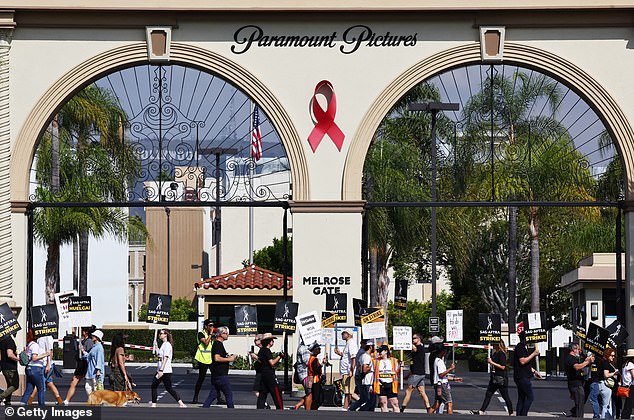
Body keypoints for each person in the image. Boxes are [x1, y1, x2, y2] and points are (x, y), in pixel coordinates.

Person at [472, 340, 514, 416]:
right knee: (488, 393)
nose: (492, 345)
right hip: (494, 377)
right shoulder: (495, 353)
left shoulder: (501, 354)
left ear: (498, 345)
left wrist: (491, 362)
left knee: (505, 396)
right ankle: (482, 410)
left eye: (494, 344)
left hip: (501, 378)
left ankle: (511, 412)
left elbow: (502, 366)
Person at [151, 329, 186, 408]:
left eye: (161, 333)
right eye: (159, 333)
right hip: (160, 369)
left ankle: (181, 403)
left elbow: (166, 358)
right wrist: (156, 347)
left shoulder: (167, 345)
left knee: (167, 388)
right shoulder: (164, 344)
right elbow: (160, 356)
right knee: (155, 386)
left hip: (164, 370)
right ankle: (154, 404)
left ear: (165, 335)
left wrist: (161, 370)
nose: (160, 335)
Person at [202, 326, 236, 408]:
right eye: (225, 333)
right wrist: (229, 359)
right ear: (220, 334)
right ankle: (232, 412)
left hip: (216, 374)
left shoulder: (218, 344)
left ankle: (204, 409)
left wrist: (228, 357)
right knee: (228, 394)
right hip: (221, 375)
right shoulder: (217, 344)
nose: (227, 335)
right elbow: (217, 358)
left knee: (213, 394)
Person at [28, 334, 63, 405]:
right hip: (43, 363)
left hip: (45, 364)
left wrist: (48, 365)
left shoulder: (47, 337)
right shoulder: (40, 337)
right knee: (49, 383)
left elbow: (50, 352)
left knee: (38, 384)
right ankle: (60, 401)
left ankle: (29, 400)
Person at [401, 333, 432, 413]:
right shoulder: (417, 349)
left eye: (414, 338)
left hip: (417, 374)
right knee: (422, 392)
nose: (413, 339)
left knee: (408, 391)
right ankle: (428, 408)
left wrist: (405, 340)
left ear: (419, 339)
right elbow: (414, 362)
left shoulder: (419, 348)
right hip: (419, 374)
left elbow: (414, 348)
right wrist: (409, 374)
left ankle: (402, 409)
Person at [513, 331, 541, 416]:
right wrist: (534, 354)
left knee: (522, 397)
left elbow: (526, 364)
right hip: (522, 376)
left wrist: (534, 371)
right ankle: (523, 414)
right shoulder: (520, 347)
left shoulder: (524, 347)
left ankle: (519, 415)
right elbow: (522, 361)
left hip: (523, 375)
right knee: (530, 397)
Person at [564, 342, 594, 418]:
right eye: (578, 349)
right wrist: (587, 362)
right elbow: (577, 367)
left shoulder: (574, 358)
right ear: (574, 349)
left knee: (580, 403)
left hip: (577, 384)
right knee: (580, 404)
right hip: (575, 385)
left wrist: (586, 361)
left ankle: (575, 415)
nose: (579, 351)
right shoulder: (571, 358)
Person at [20, 329, 49, 407]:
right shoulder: (35, 345)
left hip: (29, 368)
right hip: (36, 368)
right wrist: (46, 354)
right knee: (41, 389)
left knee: (29, 389)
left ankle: (22, 405)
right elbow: (34, 358)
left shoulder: (29, 345)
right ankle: (41, 407)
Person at [430, 346, 463, 414]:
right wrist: (450, 368)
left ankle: (427, 416)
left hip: (438, 384)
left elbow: (443, 375)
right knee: (449, 403)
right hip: (442, 385)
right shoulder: (439, 361)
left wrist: (454, 379)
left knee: (437, 403)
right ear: (441, 352)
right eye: (445, 351)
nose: (445, 353)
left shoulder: (436, 360)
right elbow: (441, 375)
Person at [256, 333, 284, 409]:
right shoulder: (267, 351)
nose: (273, 342)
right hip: (269, 375)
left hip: (263, 375)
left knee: (263, 393)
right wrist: (279, 356)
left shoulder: (261, 350)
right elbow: (272, 363)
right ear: (269, 342)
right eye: (272, 340)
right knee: (276, 392)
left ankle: (260, 408)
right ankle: (280, 408)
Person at [334, 328, 358, 409]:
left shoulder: (351, 343)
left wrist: (351, 370)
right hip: (346, 371)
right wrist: (339, 353)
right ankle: (346, 407)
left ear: (349, 334)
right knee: (346, 391)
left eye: (344, 333)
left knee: (349, 391)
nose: (342, 335)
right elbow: (346, 357)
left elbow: (353, 358)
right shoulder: (348, 343)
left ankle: (359, 403)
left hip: (348, 371)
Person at [349, 340, 376, 412]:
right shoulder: (366, 356)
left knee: (364, 399)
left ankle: (352, 408)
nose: (374, 348)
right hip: (367, 381)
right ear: (370, 347)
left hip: (366, 381)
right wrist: (371, 368)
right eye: (373, 347)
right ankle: (362, 411)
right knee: (371, 400)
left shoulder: (364, 355)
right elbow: (364, 369)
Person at [192, 319, 214, 404]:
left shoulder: (211, 335)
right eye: (210, 325)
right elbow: (206, 343)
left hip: (211, 359)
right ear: (206, 326)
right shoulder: (201, 333)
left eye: (212, 325)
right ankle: (195, 397)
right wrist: (211, 334)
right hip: (202, 358)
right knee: (201, 378)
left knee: (215, 378)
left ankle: (219, 397)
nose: (212, 327)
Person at [374, 344, 401, 413]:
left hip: (391, 384)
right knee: (383, 402)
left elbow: (397, 371)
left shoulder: (394, 361)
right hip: (381, 384)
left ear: (386, 351)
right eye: (378, 351)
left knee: (395, 403)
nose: (379, 353)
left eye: (381, 351)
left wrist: (400, 366)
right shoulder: (376, 361)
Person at [80, 329, 105, 396]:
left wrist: (98, 370)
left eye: (94, 335)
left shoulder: (99, 347)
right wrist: (84, 352)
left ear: (97, 337)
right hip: (90, 372)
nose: (92, 336)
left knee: (96, 390)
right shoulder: (95, 347)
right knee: (88, 388)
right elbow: (88, 356)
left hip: (95, 372)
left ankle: (96, 404)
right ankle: (93, 402)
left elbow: (99, 359)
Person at [0, 334, 19, 405]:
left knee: (10, 385)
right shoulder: (9, 341)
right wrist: (19, 359)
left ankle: (8, 401)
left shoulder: (2, 340)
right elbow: (10, 354)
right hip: (11, 367)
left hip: (4, 366)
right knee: (15, 385)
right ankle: (1, 397)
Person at [307, 341, 326, 410]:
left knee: (317, 398)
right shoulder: (314, 359)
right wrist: (322, 364)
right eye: (318, 349)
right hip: (315, 380)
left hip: (312, 379)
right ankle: (313, 410)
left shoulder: (311, 358)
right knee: (317, 398)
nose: (319, 350)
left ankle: (314, 409)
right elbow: (315, 370)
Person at [293, 338, 311, 410]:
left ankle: (299, 404)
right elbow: (307, 362)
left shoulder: (308, 346)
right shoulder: (304, 347)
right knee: (310, 393)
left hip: (308, 374)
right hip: (305, 374)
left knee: (312, 392)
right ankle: (307, 411)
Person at [600, 347, 618, 418]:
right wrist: (614, 373)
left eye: (614, 356)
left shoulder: (608, 363)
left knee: (607, 404)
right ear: (607, 355)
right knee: (606, 405)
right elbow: (606, 375)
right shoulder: (606, 363)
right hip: (606, 386)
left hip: (607, 386)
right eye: (611, 355)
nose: (613, 357)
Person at [620, 348, 634, 419]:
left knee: (627, 404)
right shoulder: (631, 364)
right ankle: (625, 417)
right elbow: (633, 375)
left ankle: (624, 416)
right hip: (630, 386)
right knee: (629, 404)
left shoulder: (624, 364)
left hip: (625, 386)